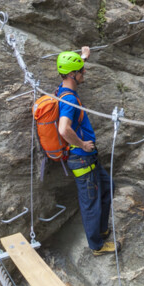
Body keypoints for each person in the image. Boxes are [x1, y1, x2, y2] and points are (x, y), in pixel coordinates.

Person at [56, 48, 119, 256]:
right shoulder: (70, 100)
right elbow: (63, 128)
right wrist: (82, 144)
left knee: (108, 186)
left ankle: (101, 229)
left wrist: (83, 58)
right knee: (90, 202)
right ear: (73, 74)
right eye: (82, 70)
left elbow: (73, 73)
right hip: (82, 159)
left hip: (88, 158)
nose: (85, 73)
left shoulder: (63, 89)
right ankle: (97, 246)